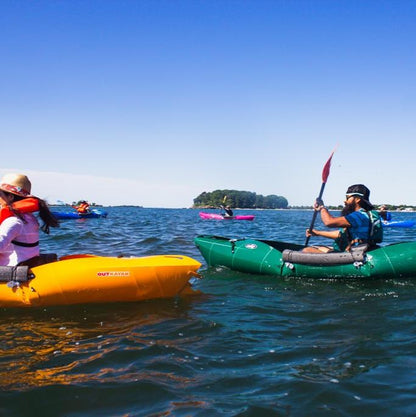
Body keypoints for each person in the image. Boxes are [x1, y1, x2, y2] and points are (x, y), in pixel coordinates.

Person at [303, 184, 382, 253]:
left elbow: (329, 222)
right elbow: (341, 234)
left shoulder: (359, 216)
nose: (345, 201)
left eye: (347, 197)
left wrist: (322, 208)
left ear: (357, 199)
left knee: (307, 251)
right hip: (364, 249)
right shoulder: (370, 213)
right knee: (319, 247)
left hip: (356, 253)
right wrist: (317, 233)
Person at [0, 173, 59, 266]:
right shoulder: (29, 218)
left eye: (0, 195)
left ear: (10, 197)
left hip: (13, 270)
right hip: (27, 264)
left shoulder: (13, 221)